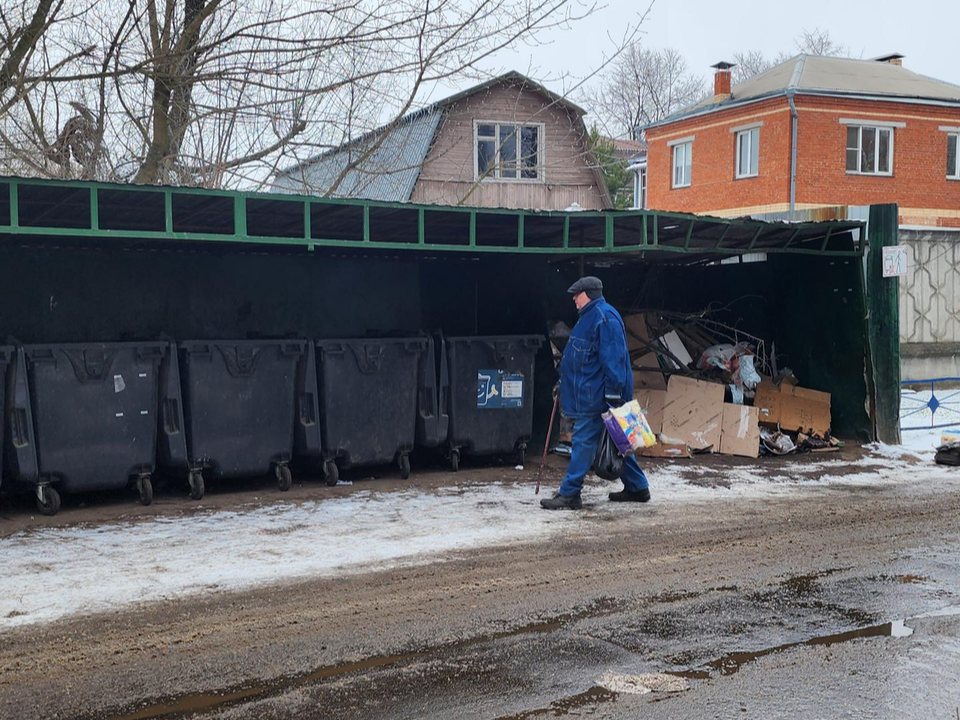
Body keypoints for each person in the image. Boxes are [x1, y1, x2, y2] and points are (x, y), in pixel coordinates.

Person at [540, 276, 651, 510]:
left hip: (598, 397)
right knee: (618, 442)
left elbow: (615, 360)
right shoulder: (589, 317)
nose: (573, 298)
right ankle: (638, 487)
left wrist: (612, 395)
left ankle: (570, 493)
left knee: (583, 440)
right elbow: (578, 358)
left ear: (588, 294)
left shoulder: (604, 318)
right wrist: (564, 380)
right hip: (592, 393)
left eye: (576, 294)